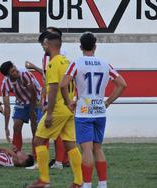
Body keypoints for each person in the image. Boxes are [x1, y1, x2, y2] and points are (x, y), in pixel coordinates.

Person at [60, 32, 127, 188]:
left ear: (80, 47)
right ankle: (103, 184)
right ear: (95, 46)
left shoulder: (76, 63)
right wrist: (108, 102)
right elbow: (122, 84)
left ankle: (87, 184)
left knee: (87, 149)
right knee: (97, 148)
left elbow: (63, 85)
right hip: (99, 110)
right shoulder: (105, 64)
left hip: (83, 111)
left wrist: (68, 101)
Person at [27, 33, 83, 188]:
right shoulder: (67, 62)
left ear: (49, 45)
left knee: (38, 140)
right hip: (69, 108)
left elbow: (52, 90)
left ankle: (44, 180)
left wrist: (49, 112)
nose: (43, 48)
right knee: (70, 144)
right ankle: (79, 182)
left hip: (58, 109)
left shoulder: (53, 63)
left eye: (44, 45)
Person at [25, 27, 69, 169]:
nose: (44, 43)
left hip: (57, 104)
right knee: (67, 139)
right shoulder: (59, 59)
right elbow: (48, 79)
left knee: (39, 137)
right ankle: (75, 176)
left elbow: (55, 84)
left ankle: (44, 170)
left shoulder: (57, 58)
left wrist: (49, 109)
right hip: (63, 104)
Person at [0, 61, 42, 157]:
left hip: (36, 100)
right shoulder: (5, 84)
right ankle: (16, 154)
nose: (15, 72)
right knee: (16, 126)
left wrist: (32, 111)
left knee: (35, 128)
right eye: (12, 72)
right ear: (7, 76)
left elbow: (34, 94)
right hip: (21, 102)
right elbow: (7, 107)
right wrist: (6, 127)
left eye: (15, 69)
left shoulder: (25, 74)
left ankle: (36, 155)